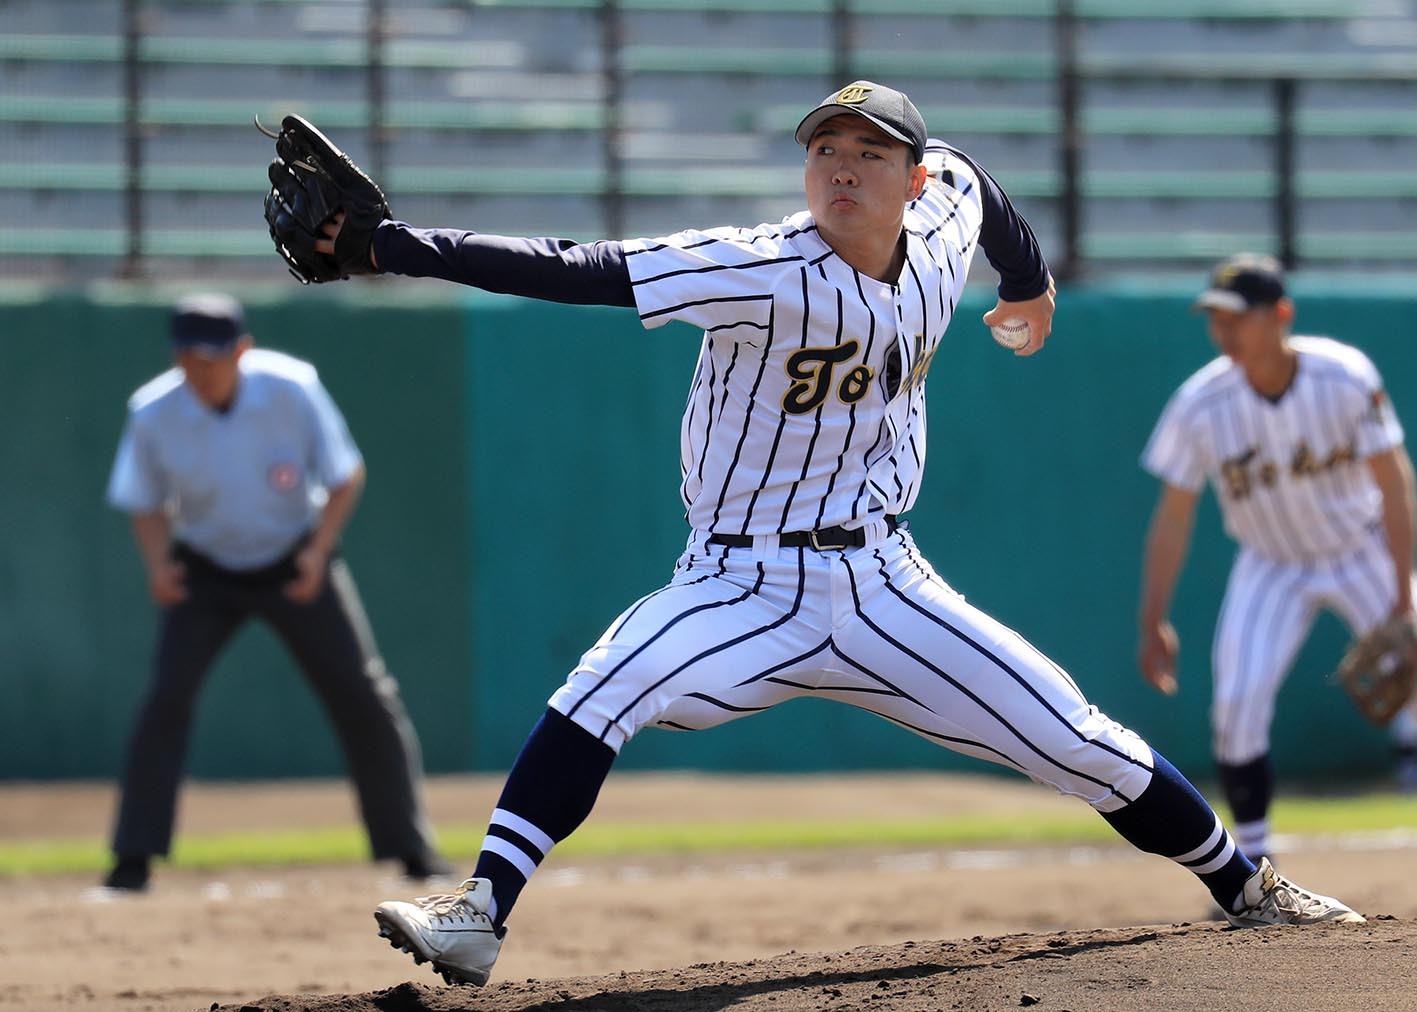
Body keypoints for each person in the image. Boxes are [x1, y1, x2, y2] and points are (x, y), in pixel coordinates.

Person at [284, 82, 1364, 987]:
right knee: (605, 682)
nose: (841, 167)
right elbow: (582, 267)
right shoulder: (759, 264)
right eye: (824, 150)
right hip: (738, 584)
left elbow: (979, 184)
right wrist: (390, 243)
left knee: (1074, 735)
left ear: (911, 178)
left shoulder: (941, 223)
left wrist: (1028, 281)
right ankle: (478, 913)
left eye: (868, 151)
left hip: (887, 581)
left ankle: (1248, 888)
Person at [102, 293, 450, 891]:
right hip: (206, 567)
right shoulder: (154, 410)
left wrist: (318, 552)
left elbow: (344, 475)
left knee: (364, 695)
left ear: (242, 350)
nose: (198, 370)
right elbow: (143, 500)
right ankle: (132, 860)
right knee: (166, 701)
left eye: (210, 357)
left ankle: (410, 847)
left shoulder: (291, 390)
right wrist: (159, 565)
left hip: (295, 560)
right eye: (186, 356)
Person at [1137, 253, 1417, 864]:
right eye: (1216, 318)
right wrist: (1154, 617)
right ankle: (1255, 866)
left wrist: (1404, 594)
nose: (1224, 331)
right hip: (1271, 565)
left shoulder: (1344, 376)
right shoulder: (1200, 403)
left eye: (1238, 317)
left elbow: (1395, 483)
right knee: (1236, 705)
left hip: (1359, 547)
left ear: (1281, 315)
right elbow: (1173, 517)